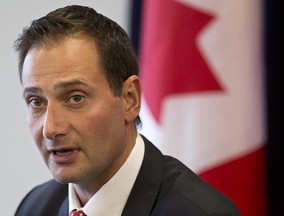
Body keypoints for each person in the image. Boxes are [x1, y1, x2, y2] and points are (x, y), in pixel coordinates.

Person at [13, 4, 241, 216]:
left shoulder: (202, 212)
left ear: (129, 99)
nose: (51, 129)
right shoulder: (33, 208)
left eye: (75, 98)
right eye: (36, 102)